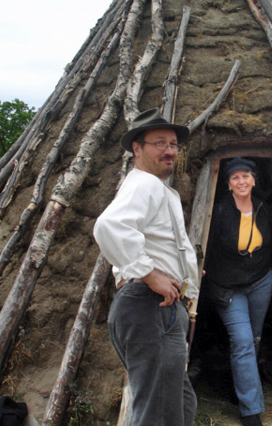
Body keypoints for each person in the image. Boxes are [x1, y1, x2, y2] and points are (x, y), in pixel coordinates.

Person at [93, 108, 199, 426]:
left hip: (157, 308)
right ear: (137, 149)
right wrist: (151, 275)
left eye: (173, 144)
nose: (169, 150)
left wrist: (184, 275)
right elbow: (109, 226)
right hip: (150, 307)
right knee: (159, 414)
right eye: (159, 143)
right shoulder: (145, 185)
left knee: (179, 404)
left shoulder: (156, 188)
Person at [204, 157, 272, 426]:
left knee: (253, 340)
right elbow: (206, 244)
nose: (241, 181)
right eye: (235, 177)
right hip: (228, 287)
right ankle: (251, 412)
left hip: (260, 281)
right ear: (228, 184)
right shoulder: (221, 210)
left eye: (245, 175)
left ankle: (243, 389)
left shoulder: (262, 208)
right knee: (243, 341)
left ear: (254, 180)